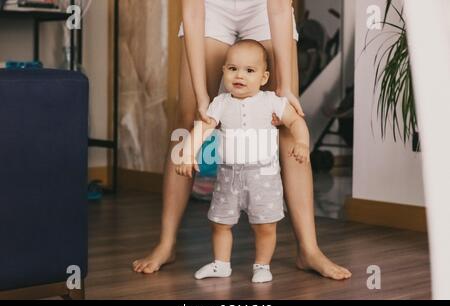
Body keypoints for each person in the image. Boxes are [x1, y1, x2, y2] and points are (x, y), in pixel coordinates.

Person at [133, 0, 352, 280]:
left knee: (287, 118)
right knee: (188, 118)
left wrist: (284, 85)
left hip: (264, 8)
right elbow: (193, 10)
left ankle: (309, 249)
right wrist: (202, 96)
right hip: (210, 8)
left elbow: (279, 8)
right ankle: (166, 243)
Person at [175, 40, 310, 283]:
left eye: (249, 71)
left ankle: (262, 265)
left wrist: (301, 142)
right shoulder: (220, 103)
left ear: (264, 76)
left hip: (264, 177)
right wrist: (187, 152)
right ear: (224, 71)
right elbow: (202, 129)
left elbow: (296, 122)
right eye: (232, 69)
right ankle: (221, 264)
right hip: (228, 175)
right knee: (220, 222)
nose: (240, 75)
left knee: (265, 225)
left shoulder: (272, 101)